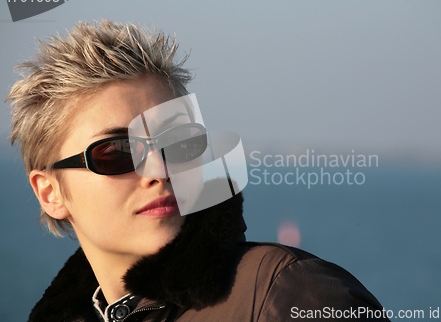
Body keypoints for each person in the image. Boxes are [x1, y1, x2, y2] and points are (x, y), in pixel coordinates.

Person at [7, 20, 390, 322]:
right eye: (117, 152)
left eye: (177, 142)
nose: (160, 169)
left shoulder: (286, 294)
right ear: (49, 193)